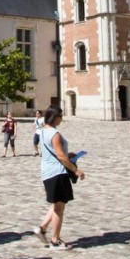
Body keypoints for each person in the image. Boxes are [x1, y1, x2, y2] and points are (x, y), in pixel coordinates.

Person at [32, 105, 84, 250]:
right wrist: (76, 169)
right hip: (58, 172)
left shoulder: (42, 131)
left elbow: (57, 152)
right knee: (59, 208)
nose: (61, 119)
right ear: (55, 117)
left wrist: (69, 155)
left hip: (47, 171)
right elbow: (60, 155)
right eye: (61, 116)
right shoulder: (55, 134)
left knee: (57, 203)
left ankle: (42, 228)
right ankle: (55, 240)